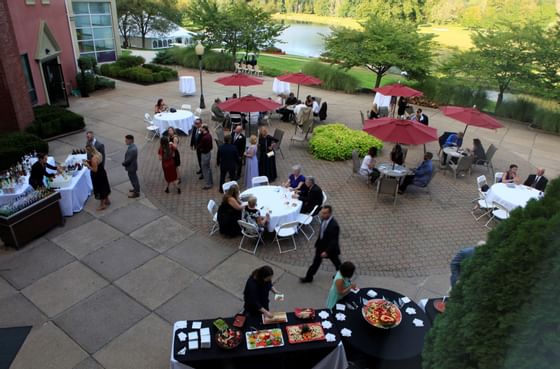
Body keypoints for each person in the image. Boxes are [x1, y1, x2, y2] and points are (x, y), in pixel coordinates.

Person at [300, 205, 342, 283]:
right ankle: (308, 278)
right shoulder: (324, 219)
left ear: (329, 214)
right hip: (320, 246)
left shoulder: (334, 226)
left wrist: (326, 251)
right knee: (315, 263)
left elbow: (334, 241)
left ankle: (342, 275)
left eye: (324, 213)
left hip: (330, 249)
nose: (322, 215)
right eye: (322, 213)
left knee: (337, 263)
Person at [84, 144, 111, 211]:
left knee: (100, 188)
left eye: (87, 151)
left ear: (89, 151)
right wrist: (89, 162)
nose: (87, 152)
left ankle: (102, 205)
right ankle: (107, 200)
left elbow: (95, 170)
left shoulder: (94, 158)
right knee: (104, 186)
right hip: (102, 172)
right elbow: (98, 164)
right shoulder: (99, 154)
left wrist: (87, 165)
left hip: (97, 175)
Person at [199, 124, 213, 190]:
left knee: (205, 169)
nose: (200, 128)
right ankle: (210, 181)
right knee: (208, 168)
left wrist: (200, 148)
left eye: (201, 127)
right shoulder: (208, 135)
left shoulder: (205, 137)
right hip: (208, 153)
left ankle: (208, 184)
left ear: (204, 128)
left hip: (205, 154)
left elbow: (201, 146)